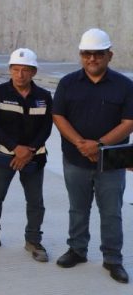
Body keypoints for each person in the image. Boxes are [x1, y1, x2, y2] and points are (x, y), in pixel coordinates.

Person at [53, 28, 133, 283]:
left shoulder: (125, 85)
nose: (92, 59)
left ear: (109, 55)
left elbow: (129, 122)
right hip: (75, 158)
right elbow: (58, 116)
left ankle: (113, 259)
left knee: (112, 212)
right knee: (78, 209)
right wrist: (80, 143)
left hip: (111, 160)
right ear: (80, 55)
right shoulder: (67, 83)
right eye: (87, 54)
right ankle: (77, 250)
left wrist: (98, 145)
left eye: (98, 54)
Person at [0, 48, 52, 263]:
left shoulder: (44, 97)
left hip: (34, 158)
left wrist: (29, 151)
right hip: (4, 156)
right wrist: (15, 147)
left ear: (34, 72)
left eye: (25, 70)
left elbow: (46, 128)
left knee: (35, 201)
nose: (20, 75)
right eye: (16, 69)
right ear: (9, 70)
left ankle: (33, 240)